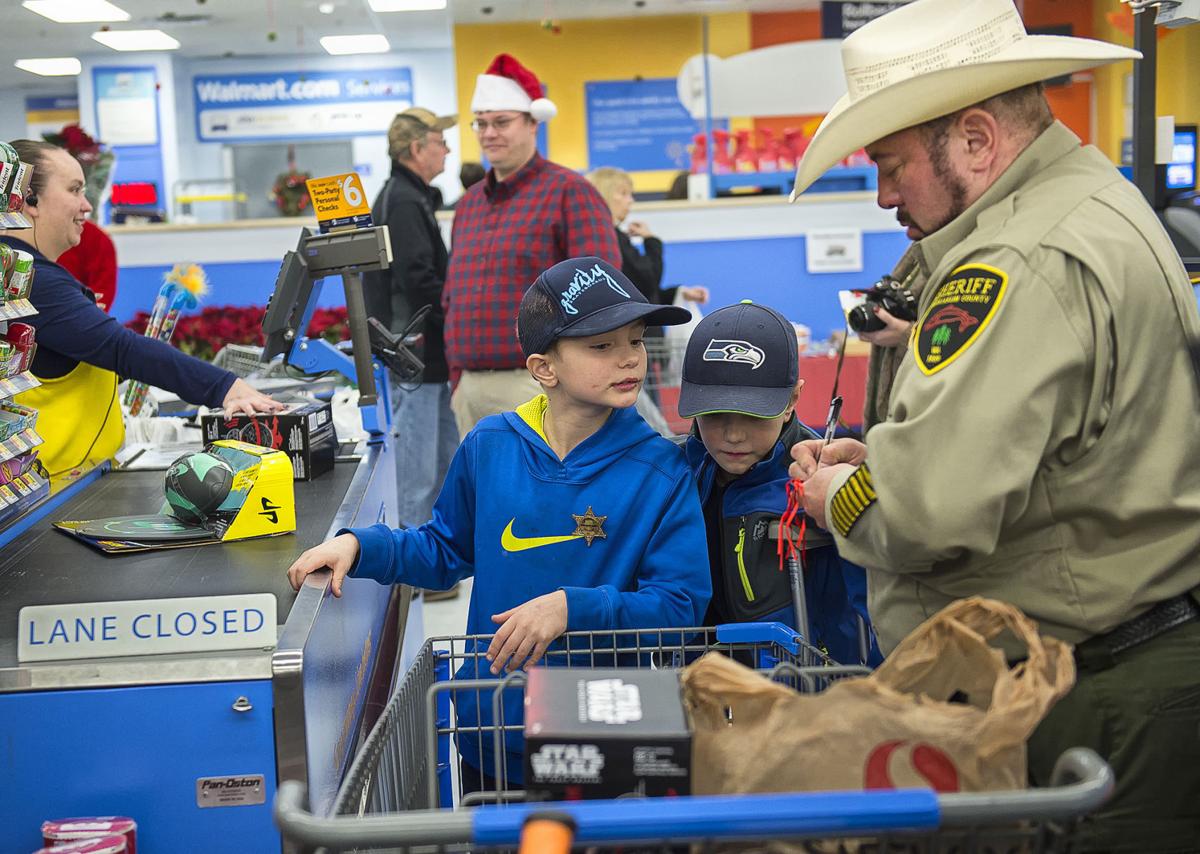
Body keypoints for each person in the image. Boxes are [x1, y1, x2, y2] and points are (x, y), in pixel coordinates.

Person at [786, 1, 1200, 849]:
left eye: (893, 165)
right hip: (1120, 661)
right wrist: (898, 451)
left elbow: (927, 510)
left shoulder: (1015, 259)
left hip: (1083, 691)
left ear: (976, 139)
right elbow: (1057, 446)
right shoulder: (1086, 199)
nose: (882, 194)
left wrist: (840, 491)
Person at [287, 256, 710, 790]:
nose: (629, 359)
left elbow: (680, 606)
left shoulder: (661, 469)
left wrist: (569, 607)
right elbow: (443, 551)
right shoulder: (489, 445)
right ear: (544, 368)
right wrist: (359, 547)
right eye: (602, 346)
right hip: (493, 723)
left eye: (636, 339)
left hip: (604, 739)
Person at [0, 140, 280, 480]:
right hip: (50, 492)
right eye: (75, 190)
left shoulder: (19, 273)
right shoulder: (33, 281)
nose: (87, 205)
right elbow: (121, 348)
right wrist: (224, 387)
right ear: (29, 199)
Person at [678, 301, 879, 666]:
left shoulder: (824, 480)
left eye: (754, 414)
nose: (733, 434)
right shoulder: (674, 474)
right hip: (702, 691)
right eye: (714, 413)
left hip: (810, 693)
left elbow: (875, 606)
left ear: (793, 400)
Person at [442, 53, 621, 439]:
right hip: (470, 389)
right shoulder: (469, 204)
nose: (489, 133)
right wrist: (459, 379)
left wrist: (571, 381)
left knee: (554, 498)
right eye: (482, 123)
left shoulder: (569, 192)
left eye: (502, 122)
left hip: (540, 386)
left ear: (532, 123)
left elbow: (602, 296)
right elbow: (451, 295)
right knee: (486, 497)